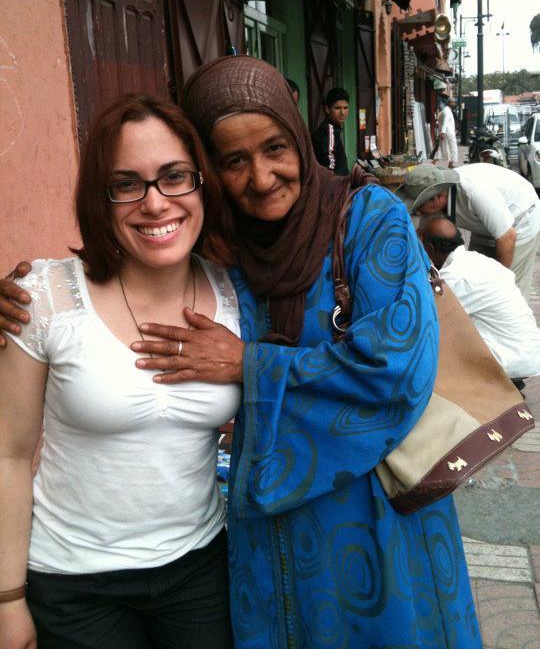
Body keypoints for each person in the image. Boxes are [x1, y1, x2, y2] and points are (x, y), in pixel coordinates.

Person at [0, 57, 481, 648]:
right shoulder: (228, 253)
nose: (261, 177)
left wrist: (247, 365)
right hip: (268, 533)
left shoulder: (367, 219)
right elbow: (130, 251)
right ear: (212, 171)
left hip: (373, 511)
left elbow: (396, 366)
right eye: (233, 160)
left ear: (300, 138)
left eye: (276, 147)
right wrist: (24, 293)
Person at [0, 94, 241, 649]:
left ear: (201, 183)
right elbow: (9, 456)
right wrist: (8, 599)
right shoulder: (43, 297)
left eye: (174, 177)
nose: (156, 204)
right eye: (127, 184)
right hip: (73, 584)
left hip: (201, 573)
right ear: (99, 199)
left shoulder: (235, 295)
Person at [397, 162, 540, 300]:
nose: (417, 211)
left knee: (509, 290)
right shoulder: (436, 202)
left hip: (520, 221)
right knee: (475, 278)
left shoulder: (474, 192)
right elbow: (421, 236)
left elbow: (507, 238)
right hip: (486, 226)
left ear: (439, 197)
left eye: (418, 206)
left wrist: (499, 286)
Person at [420, 218, 540, 380]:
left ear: (429, 248)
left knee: (435, 340)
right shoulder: (479, 260)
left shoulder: (455, 277)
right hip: (530, 350)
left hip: (514, 360)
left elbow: (427, 317)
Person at [311, 87, 350, 175]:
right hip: (332, 185)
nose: (342, 112)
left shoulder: (333, 129)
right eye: (337, 108)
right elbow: (329, 166)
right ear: (327, 109)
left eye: (345, 108)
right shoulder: (329, 131)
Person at [435, 94, 458, 168]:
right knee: (452, 148)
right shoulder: (447, 111)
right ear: (449, 103)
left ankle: (435, 162)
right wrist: (442, 132)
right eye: (453, 102)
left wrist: (442, 132)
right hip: (448, 133)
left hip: (447, 132)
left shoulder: (446, 110)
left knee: (443, 148)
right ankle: (450, 163)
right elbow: (445, 122)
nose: (454, 104)